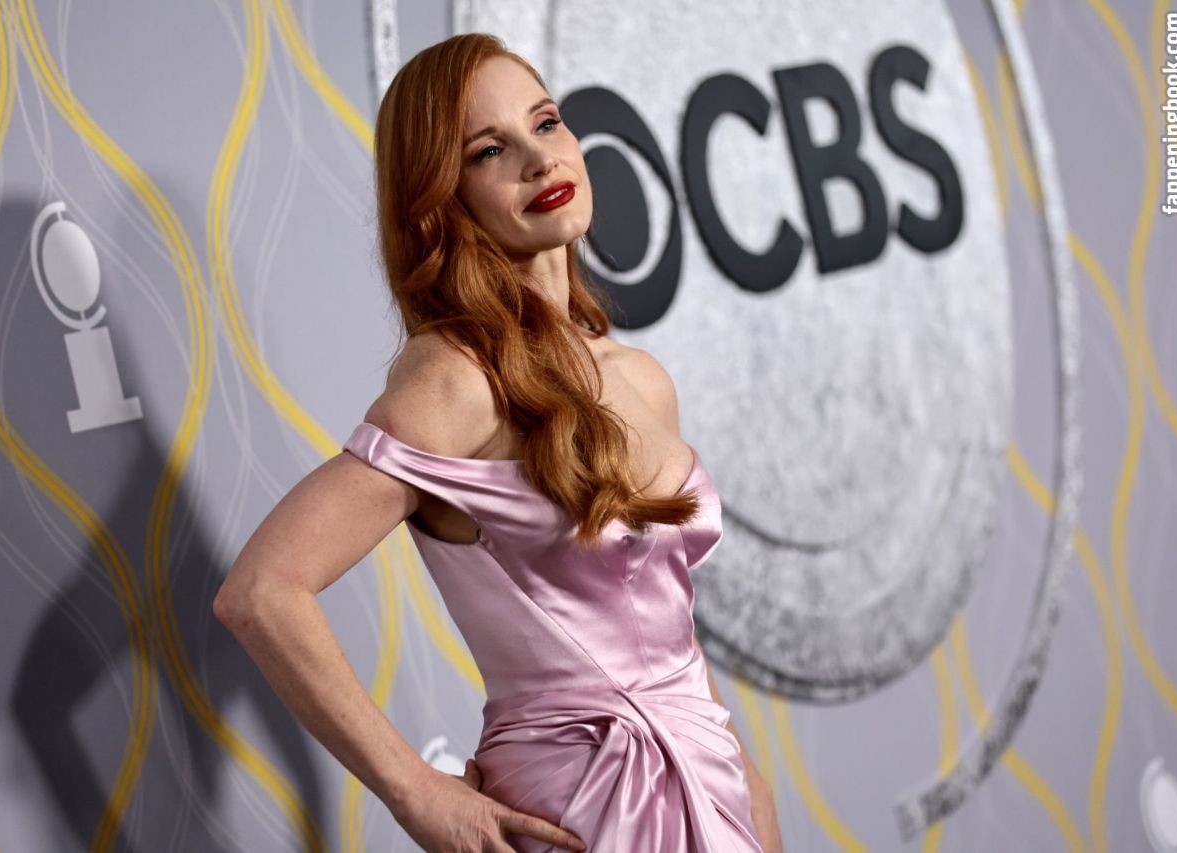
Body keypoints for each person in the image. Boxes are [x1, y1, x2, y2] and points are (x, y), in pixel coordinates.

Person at [214, 32, 784, 853]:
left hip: (713, 783)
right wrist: (416, 791)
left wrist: (746, 776)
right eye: (490, 150)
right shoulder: (455, 383)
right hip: (580, 808)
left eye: (546, 123)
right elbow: (262, 591)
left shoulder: (643, 378)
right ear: (441, 198)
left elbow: (660, 620)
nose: (538, 158)